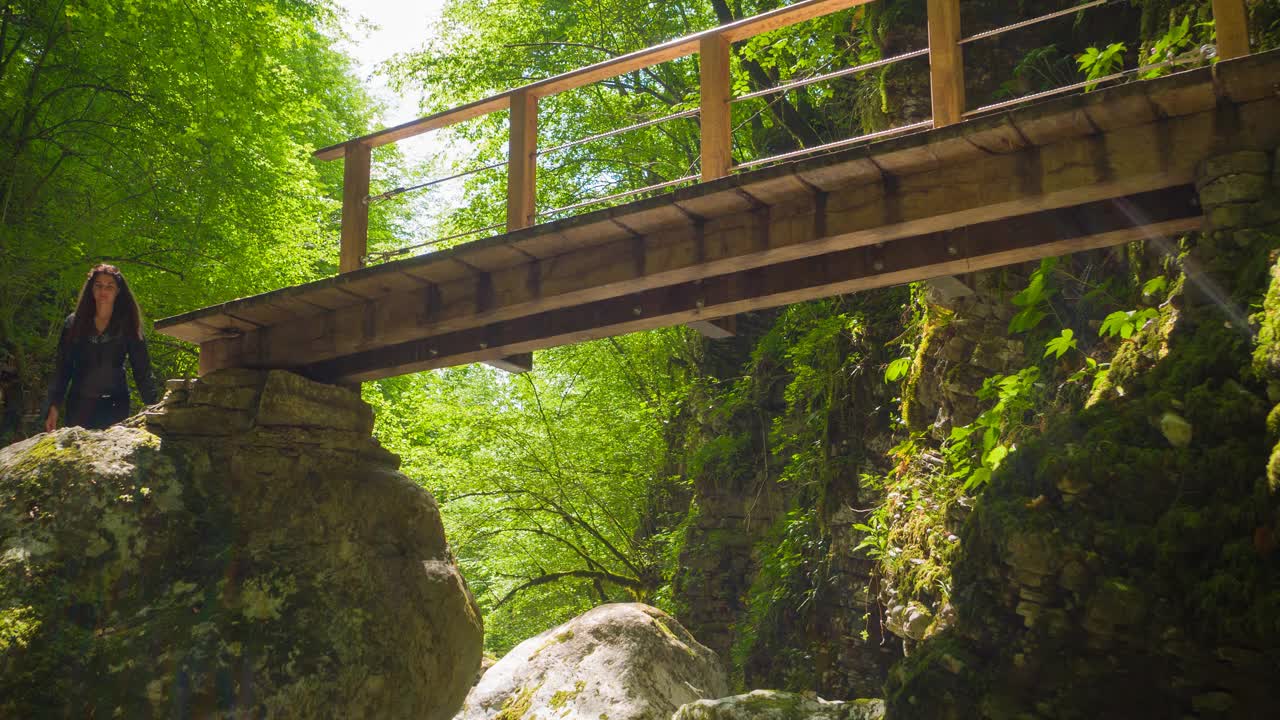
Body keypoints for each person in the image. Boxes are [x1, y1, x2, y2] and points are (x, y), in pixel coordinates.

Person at [43, 264, 158, 432]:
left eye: (109, 286)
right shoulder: (74, 323)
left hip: (115, 406)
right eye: (98, 285)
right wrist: (53, 407)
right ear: (91, 289)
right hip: (79, 406)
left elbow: (142, 369)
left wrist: (153, 405)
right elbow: (63, 368)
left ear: (118, 290)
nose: (104, 290)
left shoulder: (128, 325)